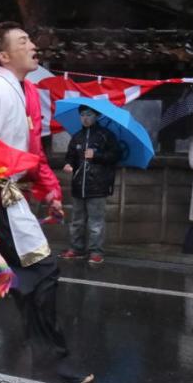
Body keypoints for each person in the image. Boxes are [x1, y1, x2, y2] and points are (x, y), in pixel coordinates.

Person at [0, 22, 94, 383]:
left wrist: (47, 189)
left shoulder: (24, 91)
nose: (33, 45)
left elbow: (32, 150)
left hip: (8, 194)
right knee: (40, 273)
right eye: (23, 41)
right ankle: (50, 361)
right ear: (4, 56)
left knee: (6, 273)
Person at [60, 106, 120, 265]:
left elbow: (115, 156)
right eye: (82, 115)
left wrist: (97, 155)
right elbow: (70, 157)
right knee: (77, 221)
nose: (85, 118)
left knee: (96, 222)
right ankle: (76, 249)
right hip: (78, 185)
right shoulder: (77, 137)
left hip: (98, 185)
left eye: (89, 115)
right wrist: (68, 165)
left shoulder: (106, 135)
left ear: (97, 116)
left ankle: (96, 252)